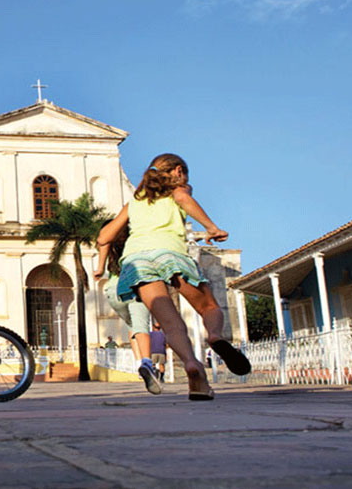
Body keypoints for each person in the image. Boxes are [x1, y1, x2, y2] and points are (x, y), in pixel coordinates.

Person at [96, 153, 250, 401]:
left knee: (170, 324)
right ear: (178, 171)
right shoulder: (177, 191)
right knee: (209, 307)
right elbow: (182, 197)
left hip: (137, 263)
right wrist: (212, 228)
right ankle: (214, 336)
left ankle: (192, 366)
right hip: (171, 254)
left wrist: (101, 262)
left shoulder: (134, 202)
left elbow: (104, 237)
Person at [95, 225, 161, 395]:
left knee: (132, 325)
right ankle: (146, 362)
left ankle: (138, 361)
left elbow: (103, 244)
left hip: (114, 291)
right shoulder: (134, 243)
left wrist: (100, 268)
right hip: (135, 287)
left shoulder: (110, 247)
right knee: (141, 327)